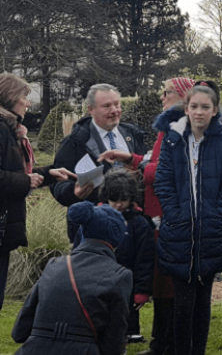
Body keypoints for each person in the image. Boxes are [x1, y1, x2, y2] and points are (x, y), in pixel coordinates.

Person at [154, 81, 222, 355]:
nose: (199, 112)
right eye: (194, 106)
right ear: (186, 108)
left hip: (211, 231)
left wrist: (217, 212)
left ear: (215, 110)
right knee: (182, 305)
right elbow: (163, 180)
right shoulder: (172, 137)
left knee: (202, 304)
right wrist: (174, 212)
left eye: (205, 107)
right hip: (179, 231)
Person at [12, 201, 132, 355]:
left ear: (83, 232)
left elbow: (20, 330)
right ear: (117, 239)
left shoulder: (54, 264)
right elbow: (113, 341)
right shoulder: (120, 275)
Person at [0, 73, 75, 311]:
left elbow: (17, 174)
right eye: (24, 96)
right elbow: (16, 178)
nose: (28, 102)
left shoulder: (11, 129)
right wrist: (25, 181)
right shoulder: (2, 129)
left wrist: (49, 174)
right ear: (10, 97)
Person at [137, 76, 195, 355]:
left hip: (169, 215)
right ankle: (161, 342)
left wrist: (142, 168)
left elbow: (165, 171)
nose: (162, 97)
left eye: (167, 92)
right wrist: (132, 159)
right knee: (162, 281)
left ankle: (167, 343)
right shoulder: (169, 126)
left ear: (183, 95)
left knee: (169, 283)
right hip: (160, 214)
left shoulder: (180, 128)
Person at [51, 83, 147, 240]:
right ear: (91, 109)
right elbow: (57, 183)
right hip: (91, 230)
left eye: (117, 104)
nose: (114, 110)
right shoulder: (75, 142)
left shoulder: (134, 134)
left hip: (133, 229)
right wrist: (73, 192)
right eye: (107, 106)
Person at [96, 168, 155, 346]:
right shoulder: (97, 219)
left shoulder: (140, 224)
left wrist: (142, 290)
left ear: (131, 198)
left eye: (124, 199)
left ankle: (129, 334)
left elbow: (145, 259)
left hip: (128, 280)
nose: (118, 205)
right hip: (101, 279)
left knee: (127, 312)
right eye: (114, 200)